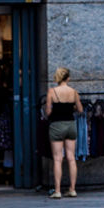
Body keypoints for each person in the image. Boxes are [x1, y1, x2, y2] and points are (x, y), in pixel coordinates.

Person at [44, 67, 83, 199]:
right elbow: (80, 109)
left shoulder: (52, 91)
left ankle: (58, 190)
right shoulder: (74, 92)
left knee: (57, 159)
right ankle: (72, 189)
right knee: (71, 158)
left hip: (56, 125)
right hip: (71, 125)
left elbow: (48, 111)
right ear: (68, 78)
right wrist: (70, 107)